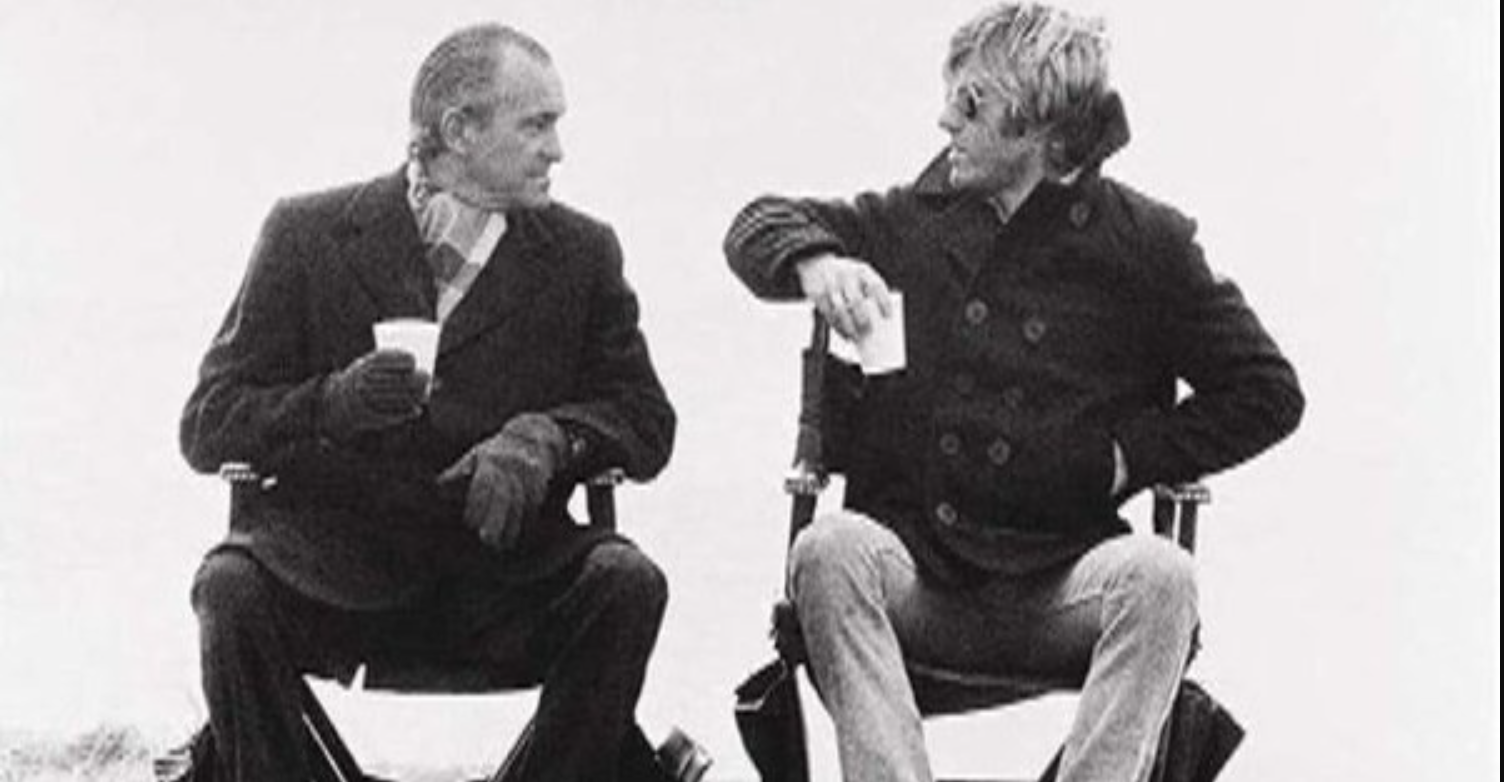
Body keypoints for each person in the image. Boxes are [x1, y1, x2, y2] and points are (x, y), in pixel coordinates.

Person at [723, 4, 1304, 781]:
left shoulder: (1144, 245)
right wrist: (818, 264)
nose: (945, 121)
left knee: (1162, 579)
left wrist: (1128, 457)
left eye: (972, 105)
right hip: (917, 574)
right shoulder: (913, 222)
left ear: (1039, 127)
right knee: (829, 550)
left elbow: (1267, 391)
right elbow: (755, 223)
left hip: (1061, 583)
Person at [181, 23, 682, 782]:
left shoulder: (584, 252)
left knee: (627, 584)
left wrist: (549, 439)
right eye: (537, 124)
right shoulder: (305, 233)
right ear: (459, 130)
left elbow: (645, 419)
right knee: (228, 587)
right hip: (333, 571)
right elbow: (208, 422)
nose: (556, 150)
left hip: (505, 577)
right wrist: (330, 403)